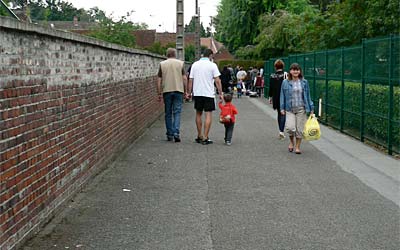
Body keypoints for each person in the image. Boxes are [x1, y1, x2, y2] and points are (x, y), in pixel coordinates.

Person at [187, 49, 223, 145]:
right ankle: (206, 137)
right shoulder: (212, 65)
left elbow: (190, 80)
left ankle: (199, 136)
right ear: (210, 55)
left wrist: (189, 92)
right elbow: (217, 80)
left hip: (197, 93)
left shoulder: (195, 65)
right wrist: (220, 93)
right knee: (208, 114)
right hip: (208, 93)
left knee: (198, 113)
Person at [280, 63, 314, 154]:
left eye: (297, 70)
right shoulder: (285, 82)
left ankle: (298, 147)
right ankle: (291, 142)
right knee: (290, 128)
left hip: (301, 108)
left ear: (300, 71)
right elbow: (282, 95)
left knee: (300, 129)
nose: (295, 71)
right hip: (289, 108)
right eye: (294, 70)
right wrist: (282, 108)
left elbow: (308, 95)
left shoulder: (304, 82)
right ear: (290, 71)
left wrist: (311, 108)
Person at [157, 48, 187, 142]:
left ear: (167, 55)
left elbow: (159, 80)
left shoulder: (162, 64)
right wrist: (186, 91)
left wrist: (159, 93)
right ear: (175, 54)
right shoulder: (180, 63)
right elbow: (184, 78)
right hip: (178, 90)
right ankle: (176, 132)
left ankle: (169, 134)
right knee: (177, 112)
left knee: (168, 113)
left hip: (167, 91)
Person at [269, 59, 287, 139]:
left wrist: (270, 97)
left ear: (275, 67)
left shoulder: (272, 76)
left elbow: (271, 87)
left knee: (279, 113)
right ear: (283, 66)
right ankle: (282, 131)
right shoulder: (285, 75)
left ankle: (280, 130)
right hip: (284, 96)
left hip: (275, 96)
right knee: (283, 113)